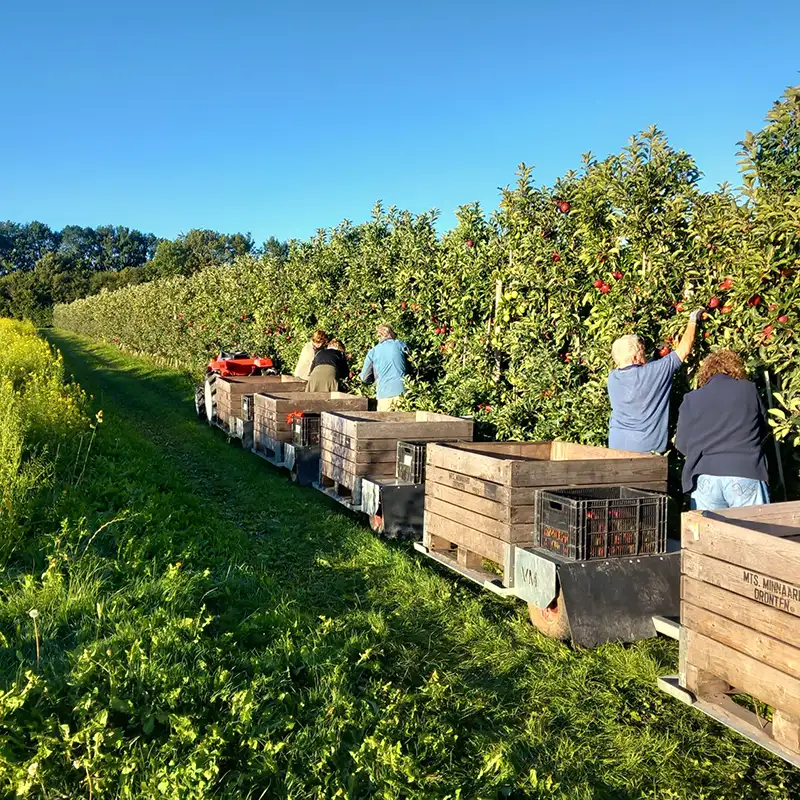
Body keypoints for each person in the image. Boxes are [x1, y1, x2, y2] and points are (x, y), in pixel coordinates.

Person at [675, 350, 769, 510]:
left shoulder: (692, 398)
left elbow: (682, 444)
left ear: (706, 373)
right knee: (755, 531)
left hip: (705, 476)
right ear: (736, 369)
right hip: (744, 470)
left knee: (709, 533)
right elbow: (763, 429)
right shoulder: (749, 390)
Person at [607, 308, 703, 454]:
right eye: (642, 352)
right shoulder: (652, 373)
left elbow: (643, 373)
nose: (644, 356)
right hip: (646, 450)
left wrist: (657, 356)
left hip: (616, 446)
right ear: (635, 357)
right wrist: (693, 320)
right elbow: (684, 350)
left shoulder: (613, 378)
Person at [360, 324, 407, 411]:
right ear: (390, 333)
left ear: (379, 336)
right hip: (402, 391)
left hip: (383, 394)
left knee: (385, 423)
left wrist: (374, 380)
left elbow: (364, 377)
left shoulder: (373, 352)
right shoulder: (400, 344)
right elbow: (413, 361)